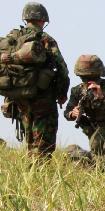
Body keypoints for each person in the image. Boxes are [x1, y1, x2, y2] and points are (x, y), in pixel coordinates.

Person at [0, 2, 68, 157]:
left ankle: (30, 168)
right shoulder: (45, 38)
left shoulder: (13, 38)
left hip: (19, 96)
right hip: (42, 95)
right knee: (44, 140)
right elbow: (62, 69)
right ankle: (38, 170)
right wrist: (62, 93)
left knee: (29, 135)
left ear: (25, 18)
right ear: (43, 19)